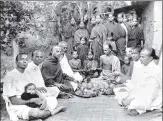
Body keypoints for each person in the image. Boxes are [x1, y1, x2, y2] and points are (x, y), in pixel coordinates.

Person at [3, 53, 65, 121]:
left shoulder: (26, 74)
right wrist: (32, 100)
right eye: (22, 59)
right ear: (16, 62)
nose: (24, 61)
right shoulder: (10, 76)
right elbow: (14, 101)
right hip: (17, 104)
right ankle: (53, 111)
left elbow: (32, 90)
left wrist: (42, 100)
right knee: (37, 113)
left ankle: (39, 114)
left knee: (52, 100)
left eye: (26, 60)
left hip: (30, 99)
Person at [122, 48, 162, 116]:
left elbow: (152, 92)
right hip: (141, 94)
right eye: (140, 56)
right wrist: (131, 96)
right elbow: (137, 85)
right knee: (124, 99)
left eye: (143, 57)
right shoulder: (140, 67)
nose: (140, 58)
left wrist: (134, 99)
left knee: (133, 104)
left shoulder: (156, 70)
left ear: (150, 58)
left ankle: (141, 108)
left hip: (151, 97)